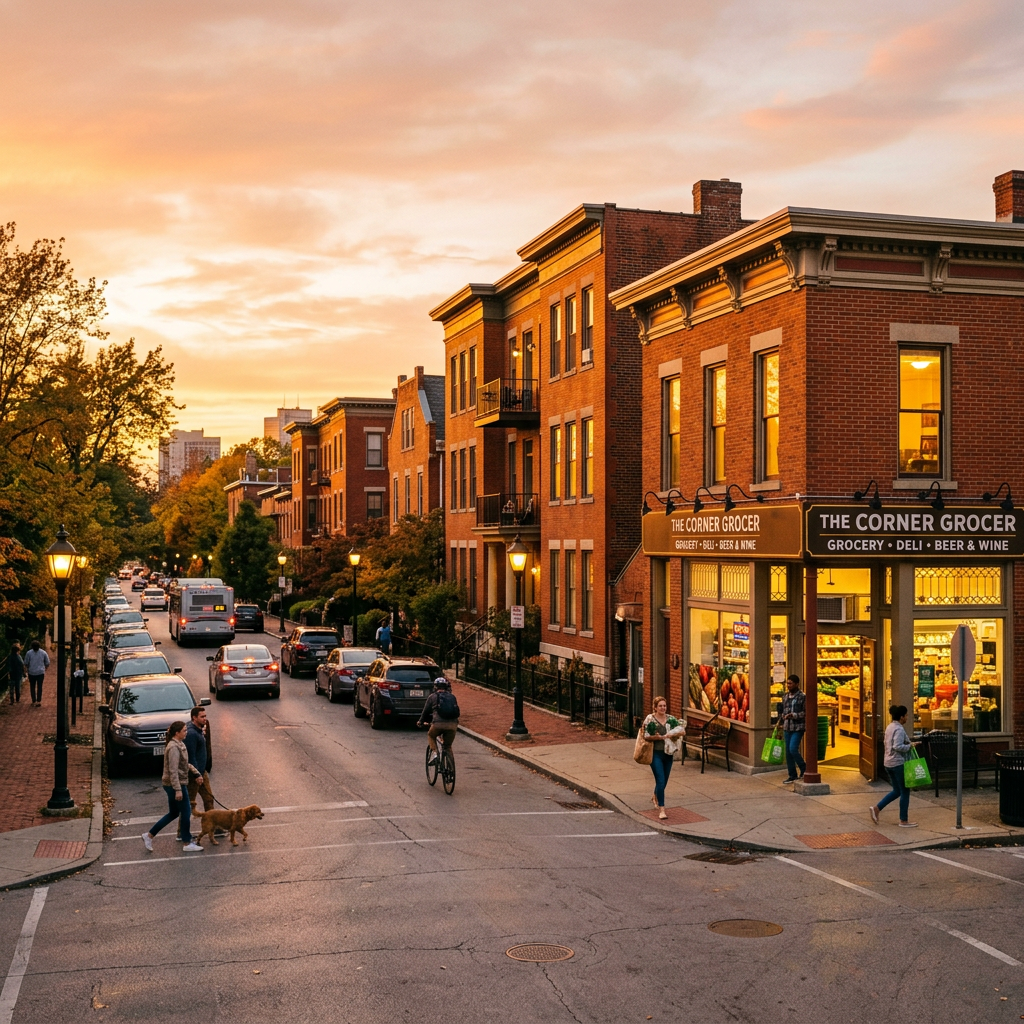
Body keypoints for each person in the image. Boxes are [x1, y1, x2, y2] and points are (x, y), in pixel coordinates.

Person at [143, 721, 204, 853]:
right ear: (177, 733)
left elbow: (185, 764)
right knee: (186, 812)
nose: (186, 732)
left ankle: (149, 835)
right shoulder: (173, 748)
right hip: (175, 785)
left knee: (174, 813)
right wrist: (178, 789)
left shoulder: (179, 744)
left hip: (174, 784)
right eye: (184, 730)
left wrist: (196, 773)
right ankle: (187, 842)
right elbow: (173, 770)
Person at [870, 705, 917, 828]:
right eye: (906, 715)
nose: (907, 717)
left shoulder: (890, 727)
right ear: (901, 717)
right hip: (898, 763)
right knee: (905, 791)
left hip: (888, 763)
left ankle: (877, 808)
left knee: (897, 791)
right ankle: (903, 820)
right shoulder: (899, 729)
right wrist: (910, 746)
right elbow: (897, 746)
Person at [641, 697, 685, 820]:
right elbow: (646, 736)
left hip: (668, 754)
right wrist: (658, 737)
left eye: (664, 706)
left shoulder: (671, 719)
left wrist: (674, 733)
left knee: (664, 781)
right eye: (660, 706)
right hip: (655, 754)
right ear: (655, 707)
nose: (663, 708)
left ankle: (655, 795)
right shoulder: (650, 719)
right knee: (660, 779)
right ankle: (662, 809)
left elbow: (682, 732)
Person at [418, 677, 460, 763]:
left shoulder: (432, 697)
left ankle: (435, 754)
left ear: (435, 687)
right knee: (447, 746)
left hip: (437, 724)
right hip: (453, 725)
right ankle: (450, 766)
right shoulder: (452, 697)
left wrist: (420, 722)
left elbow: (425, 711)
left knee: (431, 735)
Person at [185, 706, 214, 818]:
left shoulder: (199, 730)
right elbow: (191, 756)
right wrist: (196, 774)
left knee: (209, 799)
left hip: (202, 772)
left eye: (205, 716)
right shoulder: (192, 734)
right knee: (189, 803)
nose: (204, 719)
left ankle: (213, 826)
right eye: (202, 717)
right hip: (194, 775)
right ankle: (181, 832)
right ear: (194, 717)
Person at [780, 674, 806, 784]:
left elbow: (805, 712)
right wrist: (783, 717)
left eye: (790, 683)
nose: (788, 686)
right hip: (787, 727)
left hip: (798, 727)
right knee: (788, 753)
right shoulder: (785, 696)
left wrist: (794, 715)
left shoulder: (802, 696)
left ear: (796, 684)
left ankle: (804, 767)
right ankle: (792, 775)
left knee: (793, 749)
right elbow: (783, 710)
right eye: (787, 683)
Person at [23, 640, 50, 708]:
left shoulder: (29, 653)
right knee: (39, 686)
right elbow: (47, 662)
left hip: (31, 672)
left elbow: (26, 662)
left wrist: (26, 669)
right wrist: (45, 667)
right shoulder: (43, 653)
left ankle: (34, 700)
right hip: (40, 672)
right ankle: (38, 701)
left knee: (32, 686)